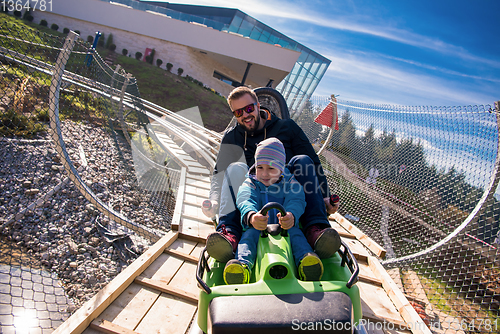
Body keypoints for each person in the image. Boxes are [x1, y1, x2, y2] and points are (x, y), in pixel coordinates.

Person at [202, 86, 340, 263]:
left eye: (249, 108)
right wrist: (213, 200)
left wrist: (325, 197)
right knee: (234, 168)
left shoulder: (286, 128)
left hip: (286, 193)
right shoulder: (232, 137)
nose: (245, 115)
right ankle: (229, 233)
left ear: (258, 105)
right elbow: (219, 173)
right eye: (238, 113)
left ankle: (316, 229)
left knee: (303, 160)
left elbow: (313, 162)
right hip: (251, 194)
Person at [223, 138, 323, 284]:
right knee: (248, 238)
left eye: (271, 168)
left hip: (284, 227)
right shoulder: (251, 182)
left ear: (281, 168)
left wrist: (291, 215)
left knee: (296, 236)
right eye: (260, 167)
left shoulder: (290, 182)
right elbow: (245, 199)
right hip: (259, 226)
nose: (264, 174)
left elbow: (297, 199)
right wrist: (251, 216)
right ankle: (242, 266)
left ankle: (306, 261)